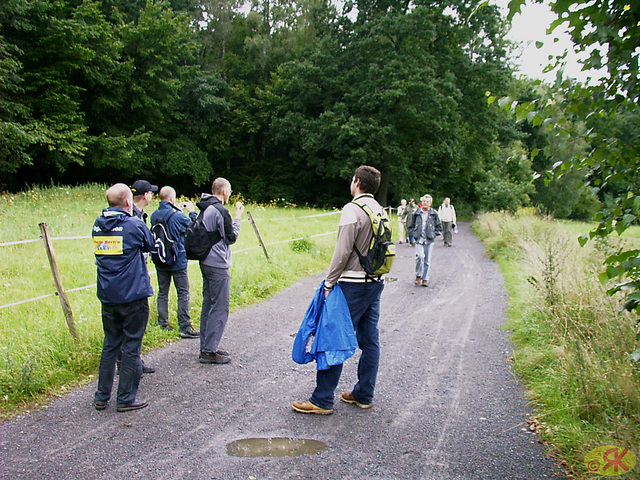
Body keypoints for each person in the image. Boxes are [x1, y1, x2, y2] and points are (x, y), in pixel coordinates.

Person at [293, 165, 386, 415]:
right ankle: (364, 394)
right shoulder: (380, 210)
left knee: (331, 337)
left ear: (357, 182)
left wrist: (329, 283)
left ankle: (322, 399)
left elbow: (342, 251)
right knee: (369, 339)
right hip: (374, 283)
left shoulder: (352, 209)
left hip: (351, 284)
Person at [92, 183, 155, 412]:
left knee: (110, 344)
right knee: (131, 345)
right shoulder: (133, 225)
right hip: (132, 295)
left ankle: (101, 396)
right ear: (128, 202)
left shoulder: (97, 226)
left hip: (108, 295)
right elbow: (150, 244)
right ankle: (126, 398)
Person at [197, 178, 244, 364]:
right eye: (230, 191)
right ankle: (209, 350)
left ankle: (206, 346)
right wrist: (238, 217)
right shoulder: (220, 210)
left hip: (205, 260)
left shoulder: (204, 206)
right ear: (224, 192)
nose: (230, 195)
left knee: (208, 304)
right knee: (220, 306)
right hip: (217, 263)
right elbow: (231, 237)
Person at [150, 186, 200, 339]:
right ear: (172, 199)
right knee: (183, 292)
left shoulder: (154, 215)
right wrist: (191, 211)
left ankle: (162, 323)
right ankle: (184, 326)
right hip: (177, 260)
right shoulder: (178, 216)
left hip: (160, 259)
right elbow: (196, 227)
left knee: (163, 292)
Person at [125, 179, 158, 374]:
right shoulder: (133, 217)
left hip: (133, 271)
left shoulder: (137, 215)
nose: (152, 196)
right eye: (151, 193)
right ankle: (131, 362)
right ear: (145, 195)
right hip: (134, 274)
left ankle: (131, 359)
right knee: (136, 318)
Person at [408, 194, 442, 287]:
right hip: (419, 239)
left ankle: (425, 278)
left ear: (430, 203)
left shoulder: (433, 213)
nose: (425, 203)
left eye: (427, 202)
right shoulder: (416, 213)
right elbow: (410, 225)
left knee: (427, 260)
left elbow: (439, 226)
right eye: (423, 201)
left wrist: (434, 234)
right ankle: (418, 275)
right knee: (420, 256)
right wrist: (413, 235)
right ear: (421, 202)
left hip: (429, 240)